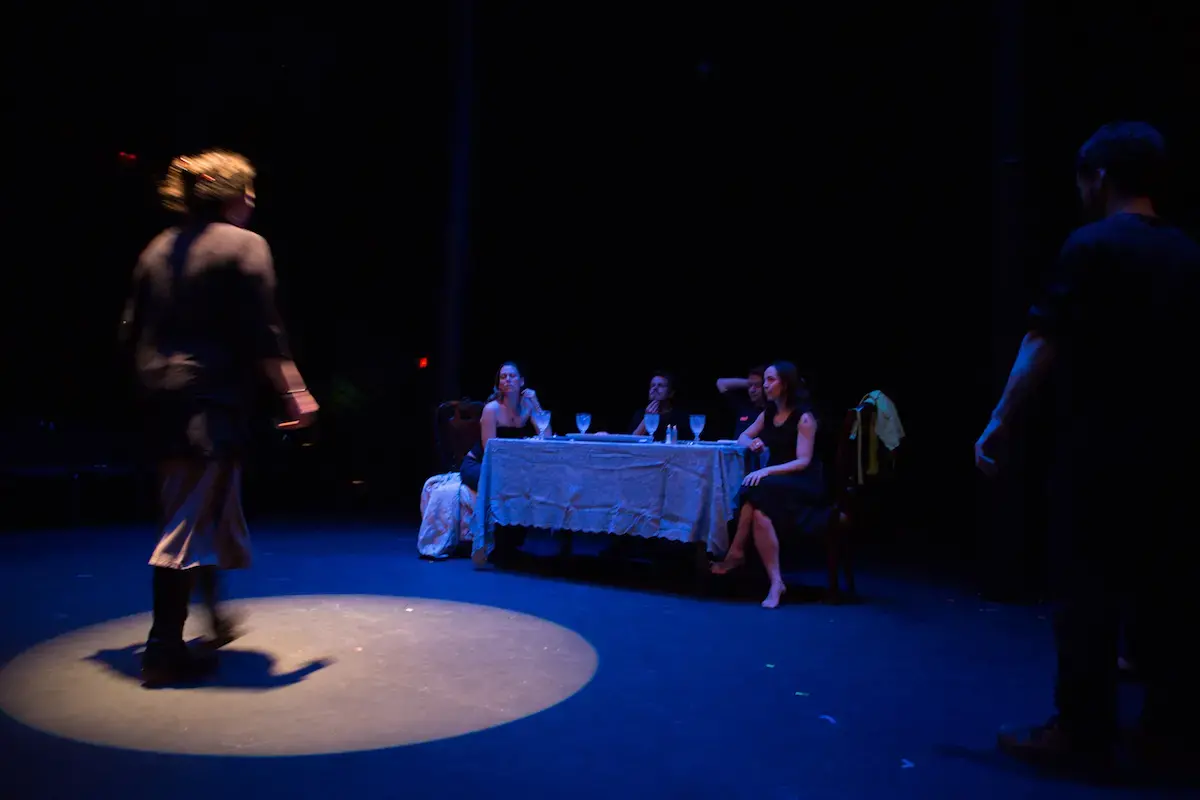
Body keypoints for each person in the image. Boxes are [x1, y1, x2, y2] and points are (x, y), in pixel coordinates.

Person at [975, 122, 1200, 772]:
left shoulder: (1091, 246)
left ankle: (1082, 730)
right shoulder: (1189, 253)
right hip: (1179, 456)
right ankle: (1169, 733)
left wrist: (999, 420)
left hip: (1101, 452)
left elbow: (1044, 340)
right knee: (1169, 594)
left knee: (1086, 592)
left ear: (1098, 177)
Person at [120, 150, 318, 687]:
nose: (253, 200)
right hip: (209, 401)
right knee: (188, 522)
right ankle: (163, 649)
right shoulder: (244, 244)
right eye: (248, 190)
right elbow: (265, 329)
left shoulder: (157, 247)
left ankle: (213, 619)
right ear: (229, 195)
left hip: (160, 399)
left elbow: (131, 328)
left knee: (204, 509)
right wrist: (295, 392)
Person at [710, 362, 824, 608]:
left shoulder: (803, 417)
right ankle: (776, 582)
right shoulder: (769, 413)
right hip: (775, 483)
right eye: (765, 380)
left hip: (803, 481)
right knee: (760, 511)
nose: (764, 386)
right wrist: (750, 444)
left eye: (770, 380)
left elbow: (803, 461)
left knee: (756, 487)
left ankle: (735, 553)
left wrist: (766, 470)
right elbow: (742, 436)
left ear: (785, 384)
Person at [459, 361, 545, 493]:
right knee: (507, 483)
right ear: (499, 384)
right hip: (480, 464)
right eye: (503, 377)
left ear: (521, 381)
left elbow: (547, 436)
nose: (508, 379)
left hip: (509, 465)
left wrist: (536, 404)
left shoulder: (528, 406)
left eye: (512, 376)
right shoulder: (492, 409)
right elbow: (490, 451)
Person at [628, 371, 689, 442]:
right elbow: (631, 441)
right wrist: (647, 418)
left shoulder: (681, 417)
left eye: (660, 385)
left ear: (671, 393)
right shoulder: (640, 414)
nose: (655, 388)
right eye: (652, 385)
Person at [716, 365, 767, 439]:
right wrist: (751, 382)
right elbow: (721, 383)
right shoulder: (743, 405)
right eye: (750, 386)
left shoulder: (772, 410)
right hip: (737, 449)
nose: (752, 390)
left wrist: (762, 382)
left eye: (757, 385)